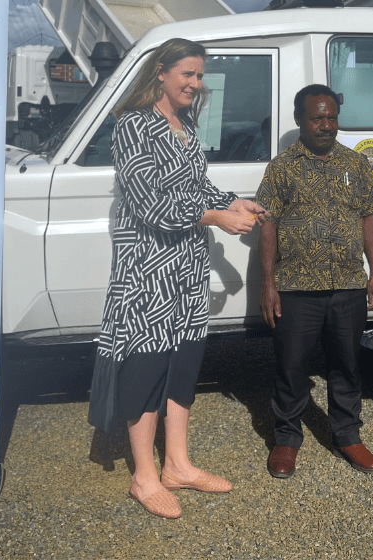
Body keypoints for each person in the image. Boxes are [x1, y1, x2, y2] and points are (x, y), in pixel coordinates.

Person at [89, 38, 268, 519]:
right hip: (148, 269)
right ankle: (144, 477)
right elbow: (149, 202)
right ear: (161, 73)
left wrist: (231, 200)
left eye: (199, 75)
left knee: (184, 364)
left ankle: (179, 465)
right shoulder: (133, 126)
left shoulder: (185, 124)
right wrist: (216, 218)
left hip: (187, 267)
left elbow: (196, 183)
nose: (195, 83)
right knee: (146, 367)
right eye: (187, 74)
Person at [256, 84, 373, 479]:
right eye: (317, 117)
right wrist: (268, 283)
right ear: (300, 119)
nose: (326, 125)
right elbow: (268, 226)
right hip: (296, 286)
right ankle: (287, 439)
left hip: (347, 284)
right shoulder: (281, 167)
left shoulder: (356, 164)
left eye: (331, 117)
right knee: (292, 367)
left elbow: (369, 218)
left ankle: (347, 435)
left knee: (346, 365)